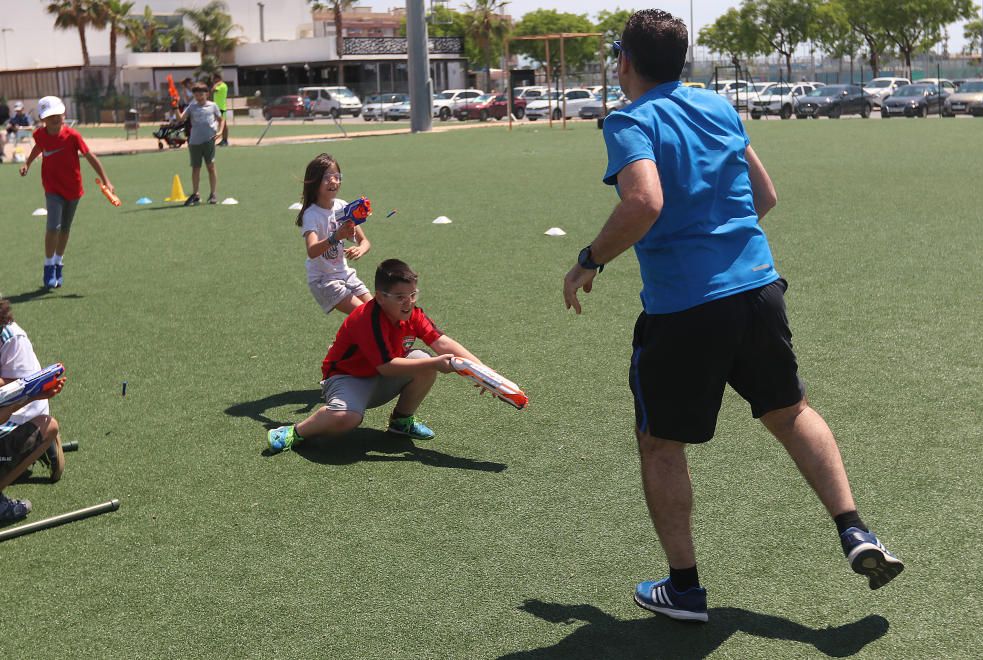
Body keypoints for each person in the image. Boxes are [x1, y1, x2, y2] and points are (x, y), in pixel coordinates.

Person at [562, 10, 903, 623]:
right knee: (792, 413)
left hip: (686, 309)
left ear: (625, 63)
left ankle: (685, 590)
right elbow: (765, 195)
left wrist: (589, 260)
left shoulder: (628, 119)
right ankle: (855, 531)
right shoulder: (715, 106)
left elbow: (644, 200)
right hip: (759, 289)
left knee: (660, 442)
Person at [267, 258, 481, 453]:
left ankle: (401, 422)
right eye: (400, 297)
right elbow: (386, 367)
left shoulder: (413, 314)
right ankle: (295, 432)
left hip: (378, 378)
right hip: (346, 379)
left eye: (412, 295)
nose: (409, 302)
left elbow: (442, 342)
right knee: (346, 418)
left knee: (422, 360)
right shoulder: (367, 319)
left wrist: (483, 372)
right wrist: (436, 362)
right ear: (380, 297)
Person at [19, 96, 115, 290]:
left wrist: (106, 180)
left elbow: (90, 156)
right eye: (50, 116)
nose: (55, 119)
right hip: (53, 188)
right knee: (53, 226)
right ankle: (48, 266)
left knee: (65, 229)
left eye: (58, 115)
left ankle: (58, 262)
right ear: (42, 119)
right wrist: (27, 163)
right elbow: (39, 146)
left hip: (73, 189)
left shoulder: (72, 136)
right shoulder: (40, 135)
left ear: (64, 114)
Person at [0, 297, 66, 525]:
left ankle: (38, 443)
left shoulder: (11, 338)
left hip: (20, 413)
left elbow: (19, 386)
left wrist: (38, 395)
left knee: (49, 426)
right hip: (7, 409)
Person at [296, 153, 373, 316]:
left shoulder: (343, 207)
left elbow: (365, 241)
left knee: (377, 312)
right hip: (324, 280)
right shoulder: (311, 215)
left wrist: (360, 249)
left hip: (345, 274)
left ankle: (346, 342)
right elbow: (312, 250)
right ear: (314, 182)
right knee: (364, 316)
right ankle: (343, 343)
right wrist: (335, 237)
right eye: (326, 177)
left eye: (336, 176)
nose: (333, 181)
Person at [176, 82, 223, 206]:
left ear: (206, 94)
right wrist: (175, 107)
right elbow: (181, 118)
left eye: (201, 94)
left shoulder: (213, 106)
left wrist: (221, 131)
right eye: (196, 95)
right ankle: (196, 194)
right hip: (195, 142)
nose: (199, 97)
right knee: (196, 168)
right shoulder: (192, 106)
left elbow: (221, 120)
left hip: (209, 141)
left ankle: (213, 194)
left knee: (211, 167)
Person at [212, 73, 229, 146]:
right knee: (221, 125)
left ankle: (225, 141)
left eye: (215, 80)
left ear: (218, 79)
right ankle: (223, 140)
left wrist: (217, 84)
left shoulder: (222, 85)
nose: (214, 81)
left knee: (223, 125)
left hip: (221, 108)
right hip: (217, 108)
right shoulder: (221, 85)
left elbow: (213, 90)